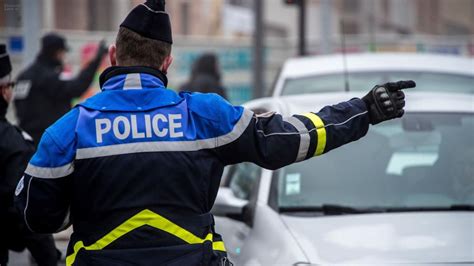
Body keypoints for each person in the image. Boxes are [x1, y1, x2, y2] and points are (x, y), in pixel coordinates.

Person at [14, 1, 415, 265]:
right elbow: (291, 139)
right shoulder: (204, 115)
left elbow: (35, 217)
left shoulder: (68, 131)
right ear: (167, 62)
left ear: (115, 56)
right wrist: (364, 109)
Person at [0, 44, 58, 266]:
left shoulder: (28, 76)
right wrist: (48, 258)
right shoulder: (13, 144)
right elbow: (24, 210)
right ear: (4, 90)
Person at [14, 33, 108, 145]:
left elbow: (18, 106)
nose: (63, 57)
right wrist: (97, 60)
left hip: (26, 141)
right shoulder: (47, 77)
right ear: (56, 53)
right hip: (47, 141)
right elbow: (77, 87)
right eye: (63, 52)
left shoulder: (24, 76)